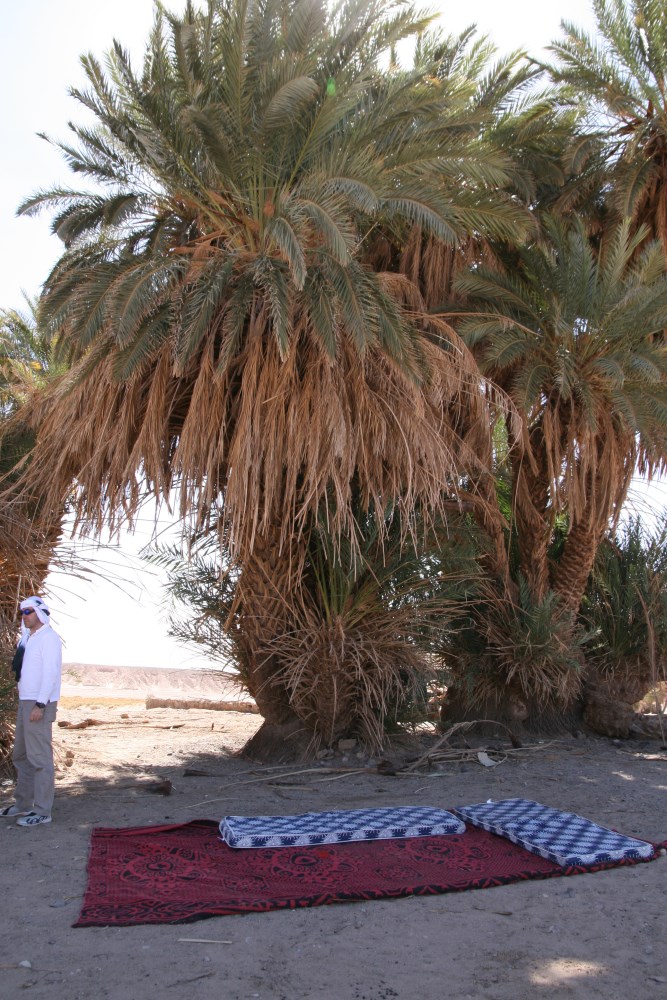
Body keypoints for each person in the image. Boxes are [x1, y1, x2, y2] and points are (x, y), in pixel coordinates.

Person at [0, 596, 62, 827]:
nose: (24, 616)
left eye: (28, 612)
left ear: (40, 612)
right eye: (22, 613)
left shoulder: (49, 638)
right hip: (26, 702)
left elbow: (50, 674)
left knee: (39, 759)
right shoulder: (28, 639)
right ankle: (23, 805)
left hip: (38, 704)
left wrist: (40, 704)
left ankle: (43, 810)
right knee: (21, 756)